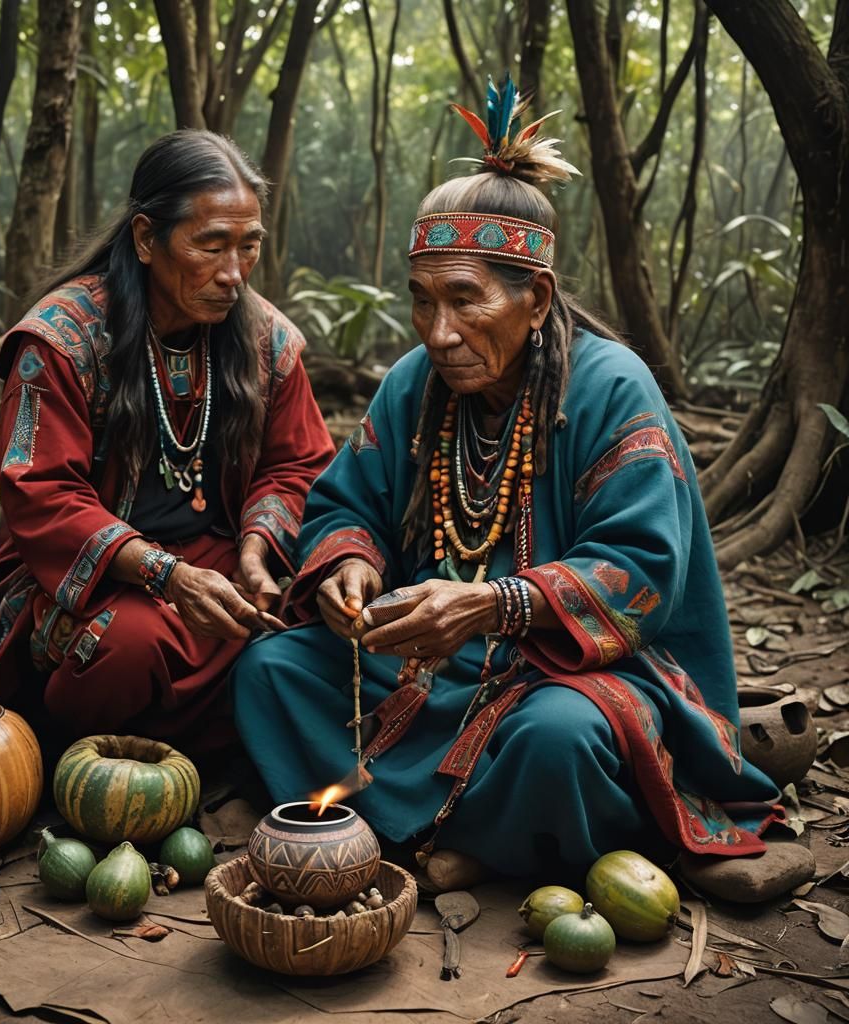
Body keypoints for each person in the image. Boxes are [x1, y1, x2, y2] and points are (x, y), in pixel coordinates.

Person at [232, 77, 783, 890]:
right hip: (434, 668)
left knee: (559, 740)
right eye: (422, 301)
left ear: (537, 300)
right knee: (271, 672)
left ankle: (455, 842)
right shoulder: (415, 384)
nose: (439, 332)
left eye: (466, 299)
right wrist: (351, 565)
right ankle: (469, 835)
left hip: (577, 670)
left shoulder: (611, 388)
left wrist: (493, 604)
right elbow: (349, 501)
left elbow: (641, 572)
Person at [0, 130, 334, 756]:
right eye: (211, 246)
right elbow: (42, 492)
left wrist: (255, 550)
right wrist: (167, 575)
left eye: (249, 247)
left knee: (307, 620)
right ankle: (94, 752)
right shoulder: (60, 342)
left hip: (218, 559)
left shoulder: (269, 340)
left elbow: (298, 463)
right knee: (128, 648)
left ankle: (212, 744)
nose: (234, 274)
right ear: (145, 238)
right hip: (94, 579)